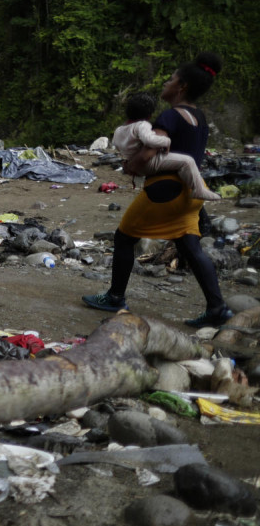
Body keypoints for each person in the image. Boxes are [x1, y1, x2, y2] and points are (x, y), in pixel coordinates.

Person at [83, 52, 232, 326]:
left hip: (166, 190)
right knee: (190, 246)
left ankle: (115, 297)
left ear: (181, 87)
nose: (166, 82)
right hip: (192, 193)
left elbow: (150, 152)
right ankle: (217, 308)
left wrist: (131, 167)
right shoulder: (198, 117)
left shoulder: (171, 116)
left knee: (124, 237)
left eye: (171, 79)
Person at [115, 94, 219, 201]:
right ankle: (199, 190)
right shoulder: (142, 125)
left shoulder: (119, 130)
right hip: (147, 163)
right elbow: (150, 140)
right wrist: (166, 141)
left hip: (133, 162)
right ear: (149, 115)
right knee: (187, 161)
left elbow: (118, 146)